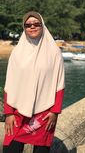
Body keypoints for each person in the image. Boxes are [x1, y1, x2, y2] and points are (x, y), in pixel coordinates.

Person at [3, 11, 65, 153]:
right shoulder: (17, 53)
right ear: (24, 28)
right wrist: (9, 113)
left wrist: (55, 111)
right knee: (10, 149)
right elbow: (9, 85)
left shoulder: (54, 52)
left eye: (36, 24)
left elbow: (59, 83)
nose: (32, 27)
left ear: (42, 26)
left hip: (44, 114)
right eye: (28, 25)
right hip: (18, 113)